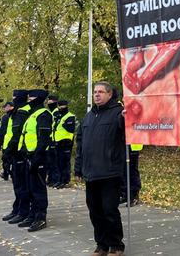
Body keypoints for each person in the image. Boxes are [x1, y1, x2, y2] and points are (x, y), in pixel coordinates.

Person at [75, 82, 126, 256]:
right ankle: (102, 245)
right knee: (95, 211)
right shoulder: (89, 116)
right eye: (95, 92)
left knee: (109, 210)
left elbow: (128, 130)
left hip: (110, 172)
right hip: (91, 173)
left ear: (110, 94)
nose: (97, 95)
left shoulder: (118, 114)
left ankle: (116, 245)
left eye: (101, 92)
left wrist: (128, 117)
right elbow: (80, 143)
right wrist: (78, 168)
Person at [17, 89, 52, 232]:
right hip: (29, 156)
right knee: (30, 188)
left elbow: (43, 139)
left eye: (31, 98)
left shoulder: (43, 114)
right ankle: (32, 215)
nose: (29, 100)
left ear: (38, 99)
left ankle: (40, 217)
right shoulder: (32, 114)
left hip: (39, 157)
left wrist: (37, 158)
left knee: (38, 189)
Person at [1, 90, 32, 225]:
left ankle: (22, 211)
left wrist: (9, 151)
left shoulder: (23, 112)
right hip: (13, 151)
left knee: (21, 185)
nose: (13, 100)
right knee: (17, 184)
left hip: (19, 152)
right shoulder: (17, 111)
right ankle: (18, 209)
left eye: (15, 97)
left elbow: (17, 134)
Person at [52, 99, 76, 189]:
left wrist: (63, 123)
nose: (61, 108)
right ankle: (59, 180)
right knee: (58, 162)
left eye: (62, 106)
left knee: (64, 163)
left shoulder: (70, 116)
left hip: (66, 142)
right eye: (59, 106)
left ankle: (65, 180)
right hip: (57, 142)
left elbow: (71, 129)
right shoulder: (59, 117)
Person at [45, 94, 60, 187]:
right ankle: (51, 179)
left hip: (55, 139)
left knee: (54, 162)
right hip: (51, 139)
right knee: (50, 161)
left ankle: (55, 179)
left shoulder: (56, 112)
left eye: (50, 102)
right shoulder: (52, 112)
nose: (48, 103)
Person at [0, 102, 14, 180]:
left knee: (5, 159)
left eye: (5, 107)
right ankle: (12, 173)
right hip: (16, 141)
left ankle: (6, 173)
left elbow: (2, 131)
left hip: (6, 142)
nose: (4, 108)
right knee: (13, 159)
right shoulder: (19, 115)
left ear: (9, 107)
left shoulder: (5, 117)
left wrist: (0, 142)